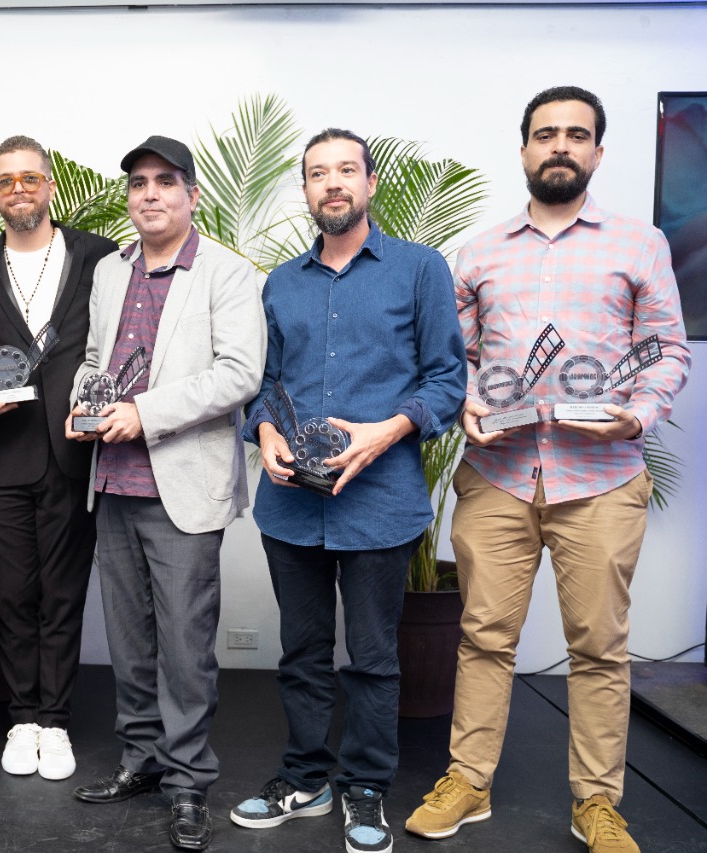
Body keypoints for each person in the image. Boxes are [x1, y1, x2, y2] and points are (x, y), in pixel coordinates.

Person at [405, 86, 690, 853]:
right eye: (546, 133)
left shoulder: (639, 245)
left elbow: (666, 348)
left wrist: (639, 413)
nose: (560, 145)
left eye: (576, 134)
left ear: (598, 151)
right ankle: (469, 780)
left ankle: (596, 802)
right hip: (498, 474)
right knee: (483, 636)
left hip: (600, 479)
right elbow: (455, 355)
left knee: (598, 647)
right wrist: (465, 399)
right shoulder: (481, 252)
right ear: (525, 147)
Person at [231, 128, 466, 853]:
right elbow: (264, 383)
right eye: (316, 173)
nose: (331, 183)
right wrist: (264, 431)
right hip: (291, 504)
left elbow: (447, 381)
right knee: (301, 652)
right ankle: (306, 778)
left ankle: (366, 787)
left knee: (372, 657)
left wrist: (387, 431)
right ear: (306, 190)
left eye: (345, 170)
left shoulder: (420, 269)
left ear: (369, 184)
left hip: (381, 503)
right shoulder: (281, 282)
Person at [67, 136, 265, 851]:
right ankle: (142, 759)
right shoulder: (110, 271)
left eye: (165, 181)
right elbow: (96, 357)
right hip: (112, 479)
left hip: (182, 485)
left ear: (192, 195)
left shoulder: (228, 272)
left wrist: (143, 412)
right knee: (129, 641)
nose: (149, 193)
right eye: (139, 183)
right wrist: (85, 401)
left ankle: (187, 780)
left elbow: (239, 373)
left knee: (185, 647)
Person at [0, 135, 117, 781]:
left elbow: (119, 341)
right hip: (1, 452)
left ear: (50, 186)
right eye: (6, 181)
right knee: (12, 596)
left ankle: (54, 720)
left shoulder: (99, 256)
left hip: (72, 449)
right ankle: (22, 716)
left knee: (63, 594)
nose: (19, 190)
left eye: (30, 178)